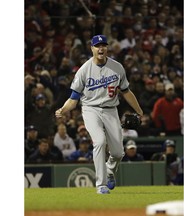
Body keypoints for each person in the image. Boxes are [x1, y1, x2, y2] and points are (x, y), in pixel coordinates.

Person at [55, 35, 143, 194]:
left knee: (118, 153)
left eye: (103, 45)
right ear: (92, 48)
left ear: (107, 48)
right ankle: (100, 185)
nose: (101, 48)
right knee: (100, 142)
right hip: (91, 109)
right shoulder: (84, 70)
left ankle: (110, 170)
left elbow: (126, 91)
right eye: (97, 46)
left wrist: (139, 110)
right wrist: (63, 110)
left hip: (111, 109)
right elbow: (74, 99)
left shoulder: (117, 67)